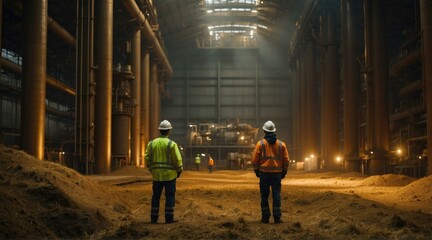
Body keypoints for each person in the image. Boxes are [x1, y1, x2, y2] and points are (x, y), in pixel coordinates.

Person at [145, 120, 183, 224]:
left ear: (160, 130)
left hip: (156, 176)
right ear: (169, 131)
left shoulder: (151, 143)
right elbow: (177, 160)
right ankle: (169, 218)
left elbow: (147, 158)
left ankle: (153, 218)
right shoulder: (171, 144)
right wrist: (179, 170)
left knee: (155, 196)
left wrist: (151, 168)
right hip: (170, 176)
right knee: (170, 196)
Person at [251, 120, 289, 224]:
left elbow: (254, 160)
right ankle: (277, 218)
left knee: (264, 196)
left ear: (264, 131)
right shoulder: (282, 145)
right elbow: (286, 160)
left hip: (264, 174)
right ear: (274, 131)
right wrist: (284, 171)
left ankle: (265, 218)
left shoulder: (260, 144)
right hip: (277, 174)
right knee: (276, 195)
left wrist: (256, 171)